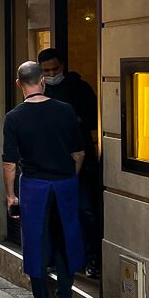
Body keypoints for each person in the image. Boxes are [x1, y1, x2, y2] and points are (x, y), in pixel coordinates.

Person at [3, 61, 85, 298]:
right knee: (67, 236)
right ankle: (65, 292)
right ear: (43, 81)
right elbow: (79, 153)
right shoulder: (66, 110)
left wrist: (11, 196)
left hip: (33, 185)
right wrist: (71, 177)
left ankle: (41, 294)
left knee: (36, 240)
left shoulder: (14, 117)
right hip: (65, 182)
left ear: (19, 84)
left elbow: (9, 162)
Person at [37, 48, 101, 278]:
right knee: (52, 214)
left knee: (86, 212)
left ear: (62, 65)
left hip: (79, 163)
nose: (52, 73)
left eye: (55, 68)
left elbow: (94, 120)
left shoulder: (79, 88)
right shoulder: (39, 92)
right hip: (51, 165)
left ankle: (92, 258)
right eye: (47, 70)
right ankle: (54, 258)